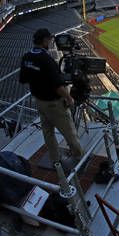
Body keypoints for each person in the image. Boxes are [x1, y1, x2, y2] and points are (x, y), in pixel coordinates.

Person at [19, 29, 83, 170]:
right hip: (54, 103)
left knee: (48, 133)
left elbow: (23, 79)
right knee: (69, 133)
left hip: (39, 102)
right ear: (44, 40)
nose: (50, 42)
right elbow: (58, 86)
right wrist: (69, 98)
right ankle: (78, 158)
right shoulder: (46, 60)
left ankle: (55, 159)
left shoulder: (27, 56)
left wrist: (38, 79)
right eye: (49, 39)